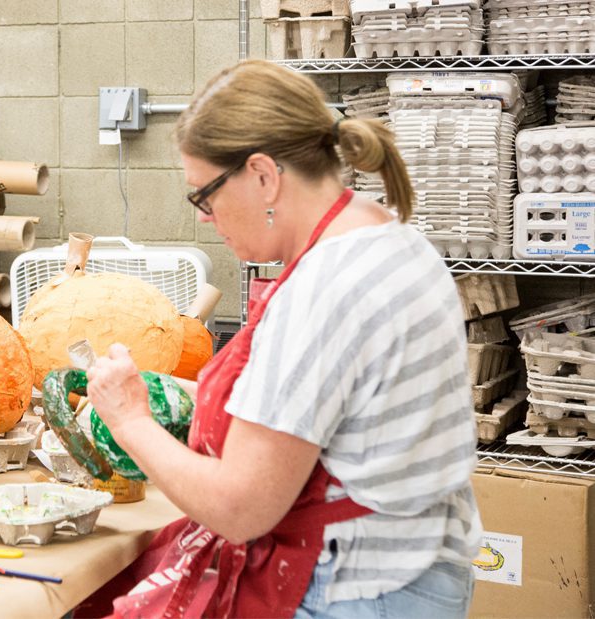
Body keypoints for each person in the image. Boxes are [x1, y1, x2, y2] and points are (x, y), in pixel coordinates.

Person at [83, 60, 482, 618]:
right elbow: (329, 418)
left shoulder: (324, 288)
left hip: (355, 589)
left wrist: (130, 422)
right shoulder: (389, 237)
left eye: (204, 195)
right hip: (419, 569)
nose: (204, 218)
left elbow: (240, 507)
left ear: (264, 175)